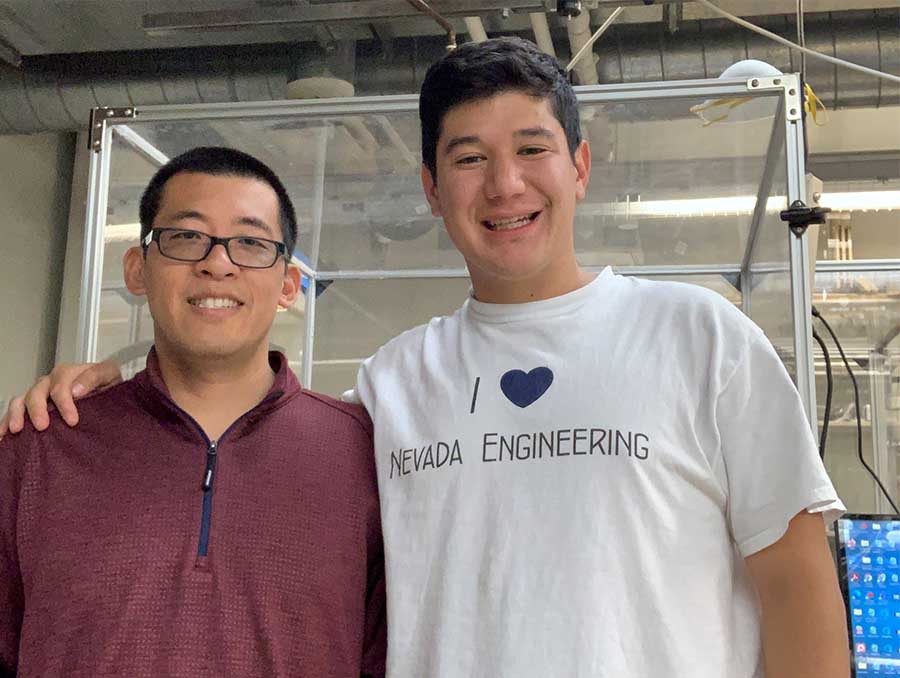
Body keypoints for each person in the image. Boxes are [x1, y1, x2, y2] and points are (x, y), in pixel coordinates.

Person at [2, 38, 848, 678]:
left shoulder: (700, 337)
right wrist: (109, 382)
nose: (504, 184)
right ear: (432, 189)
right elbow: (237, 420)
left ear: (580, 166)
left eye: (531, 149)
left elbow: (797, 585)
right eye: (469, 158)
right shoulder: (392, 383)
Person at [0, 147, 386, 678]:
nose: (217, 263)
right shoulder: (42, 445)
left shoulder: (363, 454)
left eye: (250, 243)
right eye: (186, 238)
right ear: (137, 269)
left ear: (288, 286)